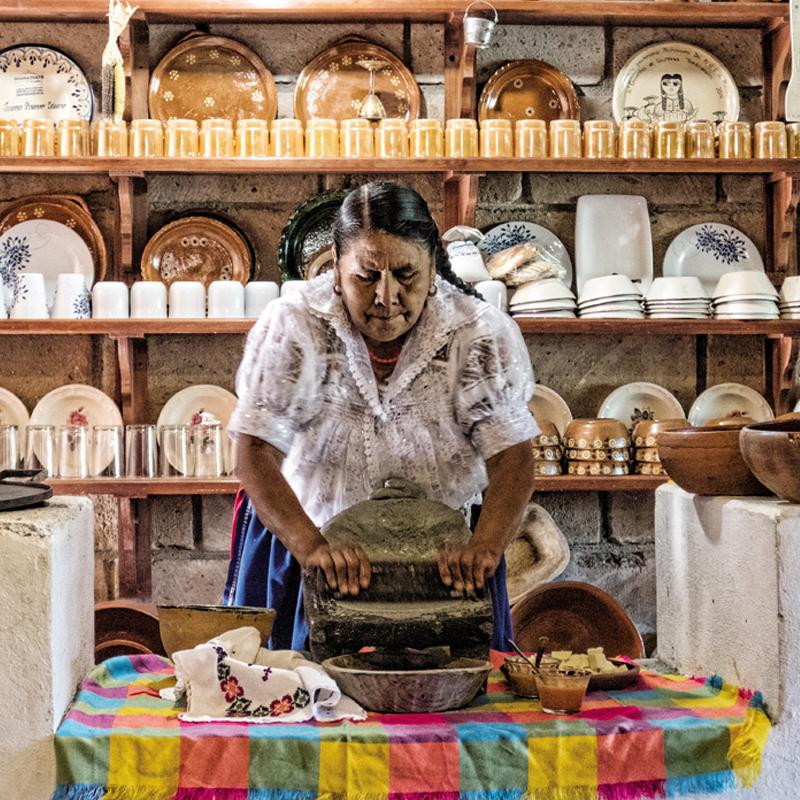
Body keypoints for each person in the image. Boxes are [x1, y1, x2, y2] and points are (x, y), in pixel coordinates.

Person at [224, 181, 538, 651]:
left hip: (444, 564)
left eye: (406, 274)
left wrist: (485, 547)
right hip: (308, 544)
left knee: (447, 710)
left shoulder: (476, 332)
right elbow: (253, 451)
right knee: (304, 706)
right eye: (366, 276)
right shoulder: (296, 325)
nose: (386, 297)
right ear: (336, 266)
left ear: (433, 265)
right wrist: (313, 548)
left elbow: (512, 457)